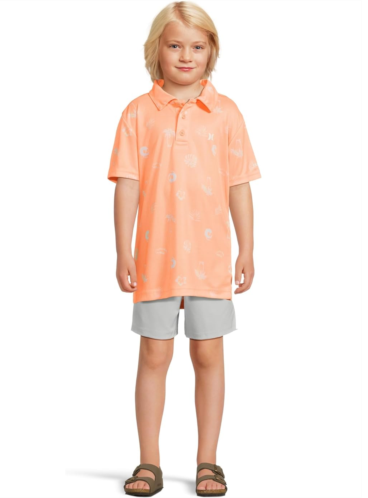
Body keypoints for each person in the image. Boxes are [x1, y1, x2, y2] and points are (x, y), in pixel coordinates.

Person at [107, 2, 261, 496]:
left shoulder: (226, 112)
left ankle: (207, 462)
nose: (186, 56)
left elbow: (239, 185)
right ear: (157, 49)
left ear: (211, 50)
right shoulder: (137, 112)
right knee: (153, 354)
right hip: (154, 257)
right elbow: (127, 184)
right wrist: (123, 250)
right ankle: (148, 462)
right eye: (175, 45)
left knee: (208, 354)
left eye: (197, 46)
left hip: (210, 261)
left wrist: (247, 248)